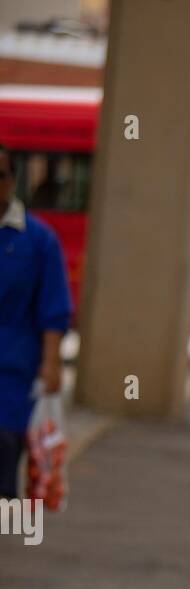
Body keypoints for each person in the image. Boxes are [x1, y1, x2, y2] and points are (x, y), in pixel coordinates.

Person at [0, 144, 72, 500]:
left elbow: (53, 308)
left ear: (12, 181)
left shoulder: (38, 239)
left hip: (11, 375)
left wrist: (51, 364)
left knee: (3, 454)